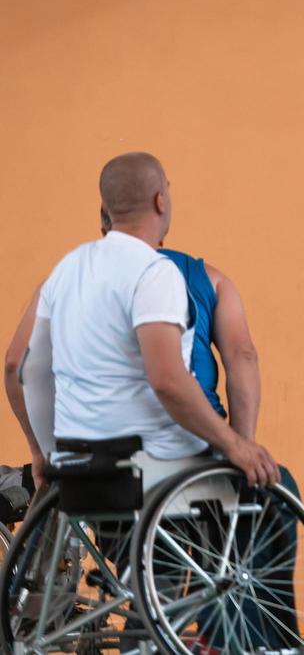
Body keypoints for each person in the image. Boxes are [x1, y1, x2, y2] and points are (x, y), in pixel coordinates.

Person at [12, 152, 277, 488]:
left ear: (105, 211)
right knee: (280, 490)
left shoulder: (65, 272)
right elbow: (178, 377)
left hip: (82, 464)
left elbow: (21, 368)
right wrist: (240, 446)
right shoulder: (164, 274)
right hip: (162, 462)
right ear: (160, 200)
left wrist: (47, 454)